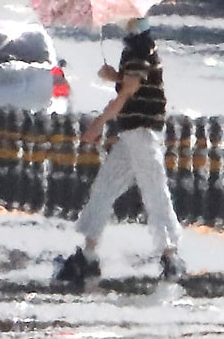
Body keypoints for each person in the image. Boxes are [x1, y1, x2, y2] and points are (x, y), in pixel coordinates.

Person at [54, 17, 184, 284]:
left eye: (127, 17)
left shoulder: (141, 46)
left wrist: (98, 124)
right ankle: (88, 255)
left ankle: (171, 256)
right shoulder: (134, 48)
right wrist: (113, 75)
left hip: (143, 131)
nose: (123, 22)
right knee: (105, 187)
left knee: (154, 190)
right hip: (131, 134)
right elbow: (133, 84)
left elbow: (128, 92)